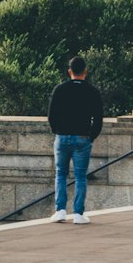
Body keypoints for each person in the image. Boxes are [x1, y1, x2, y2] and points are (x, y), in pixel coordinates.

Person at [48, 54, 104, 225]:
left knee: (61, 174)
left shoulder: (60, 90)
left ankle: (60, 210)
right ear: (85, 71)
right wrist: (90, 136)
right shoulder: (93, 92)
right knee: (80, 176)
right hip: (82, 138)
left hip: (63, 136)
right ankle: (78, 213)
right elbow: (98, 119)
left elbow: (52, 116)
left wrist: (57, 131)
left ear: (69, 71)